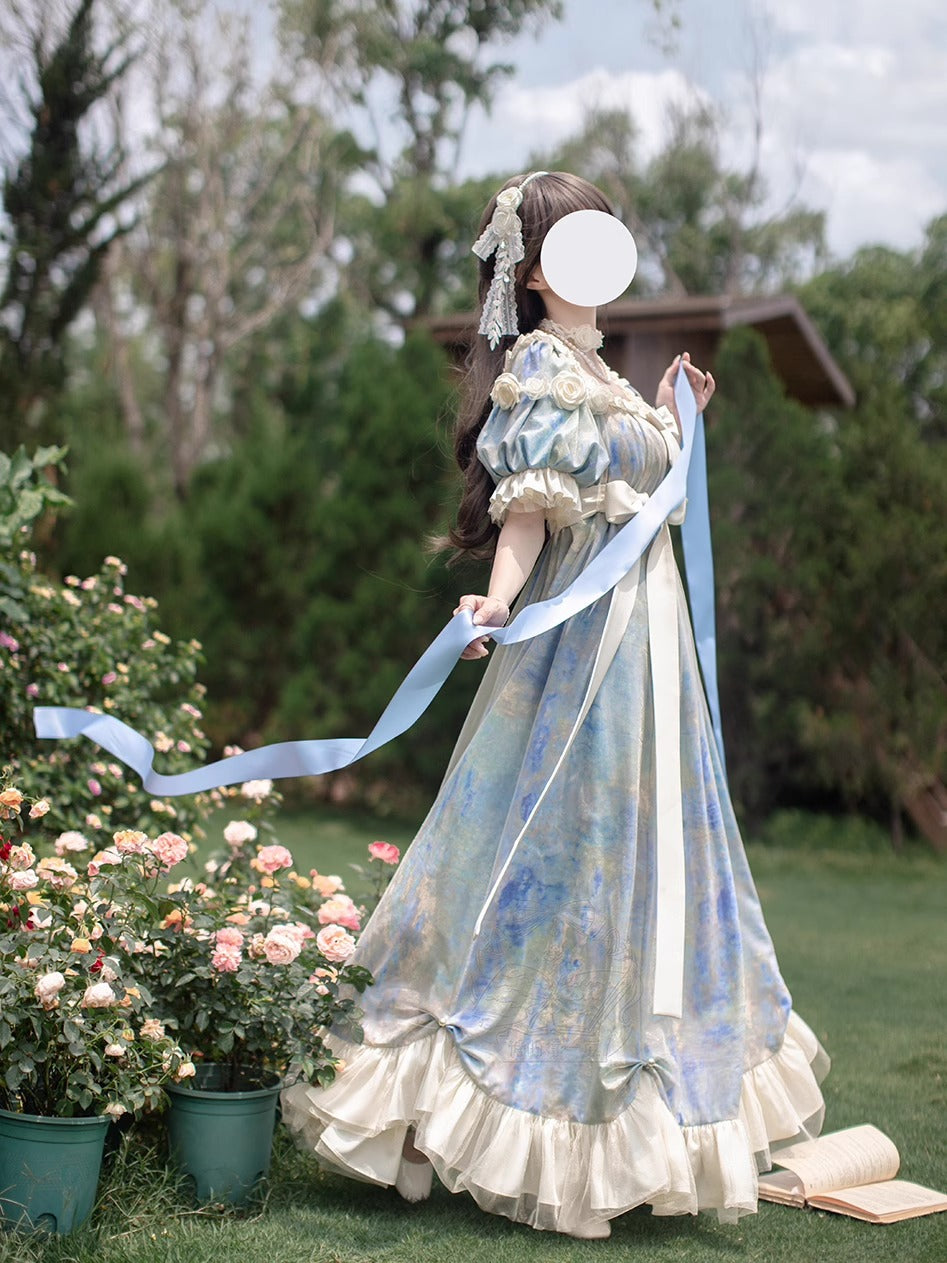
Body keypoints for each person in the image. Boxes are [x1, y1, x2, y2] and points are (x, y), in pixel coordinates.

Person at [281, 170, 830, 1239]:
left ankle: (625, 1119)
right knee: (552, 849)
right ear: (530, 274)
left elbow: (646, 502)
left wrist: (678, 416)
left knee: (635, 857)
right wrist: (495, 600)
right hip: (587, 649)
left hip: (650, 654)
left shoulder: (605, 375)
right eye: (575, 240)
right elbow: (530, 515)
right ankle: (497, 1108)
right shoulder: (540, 366)